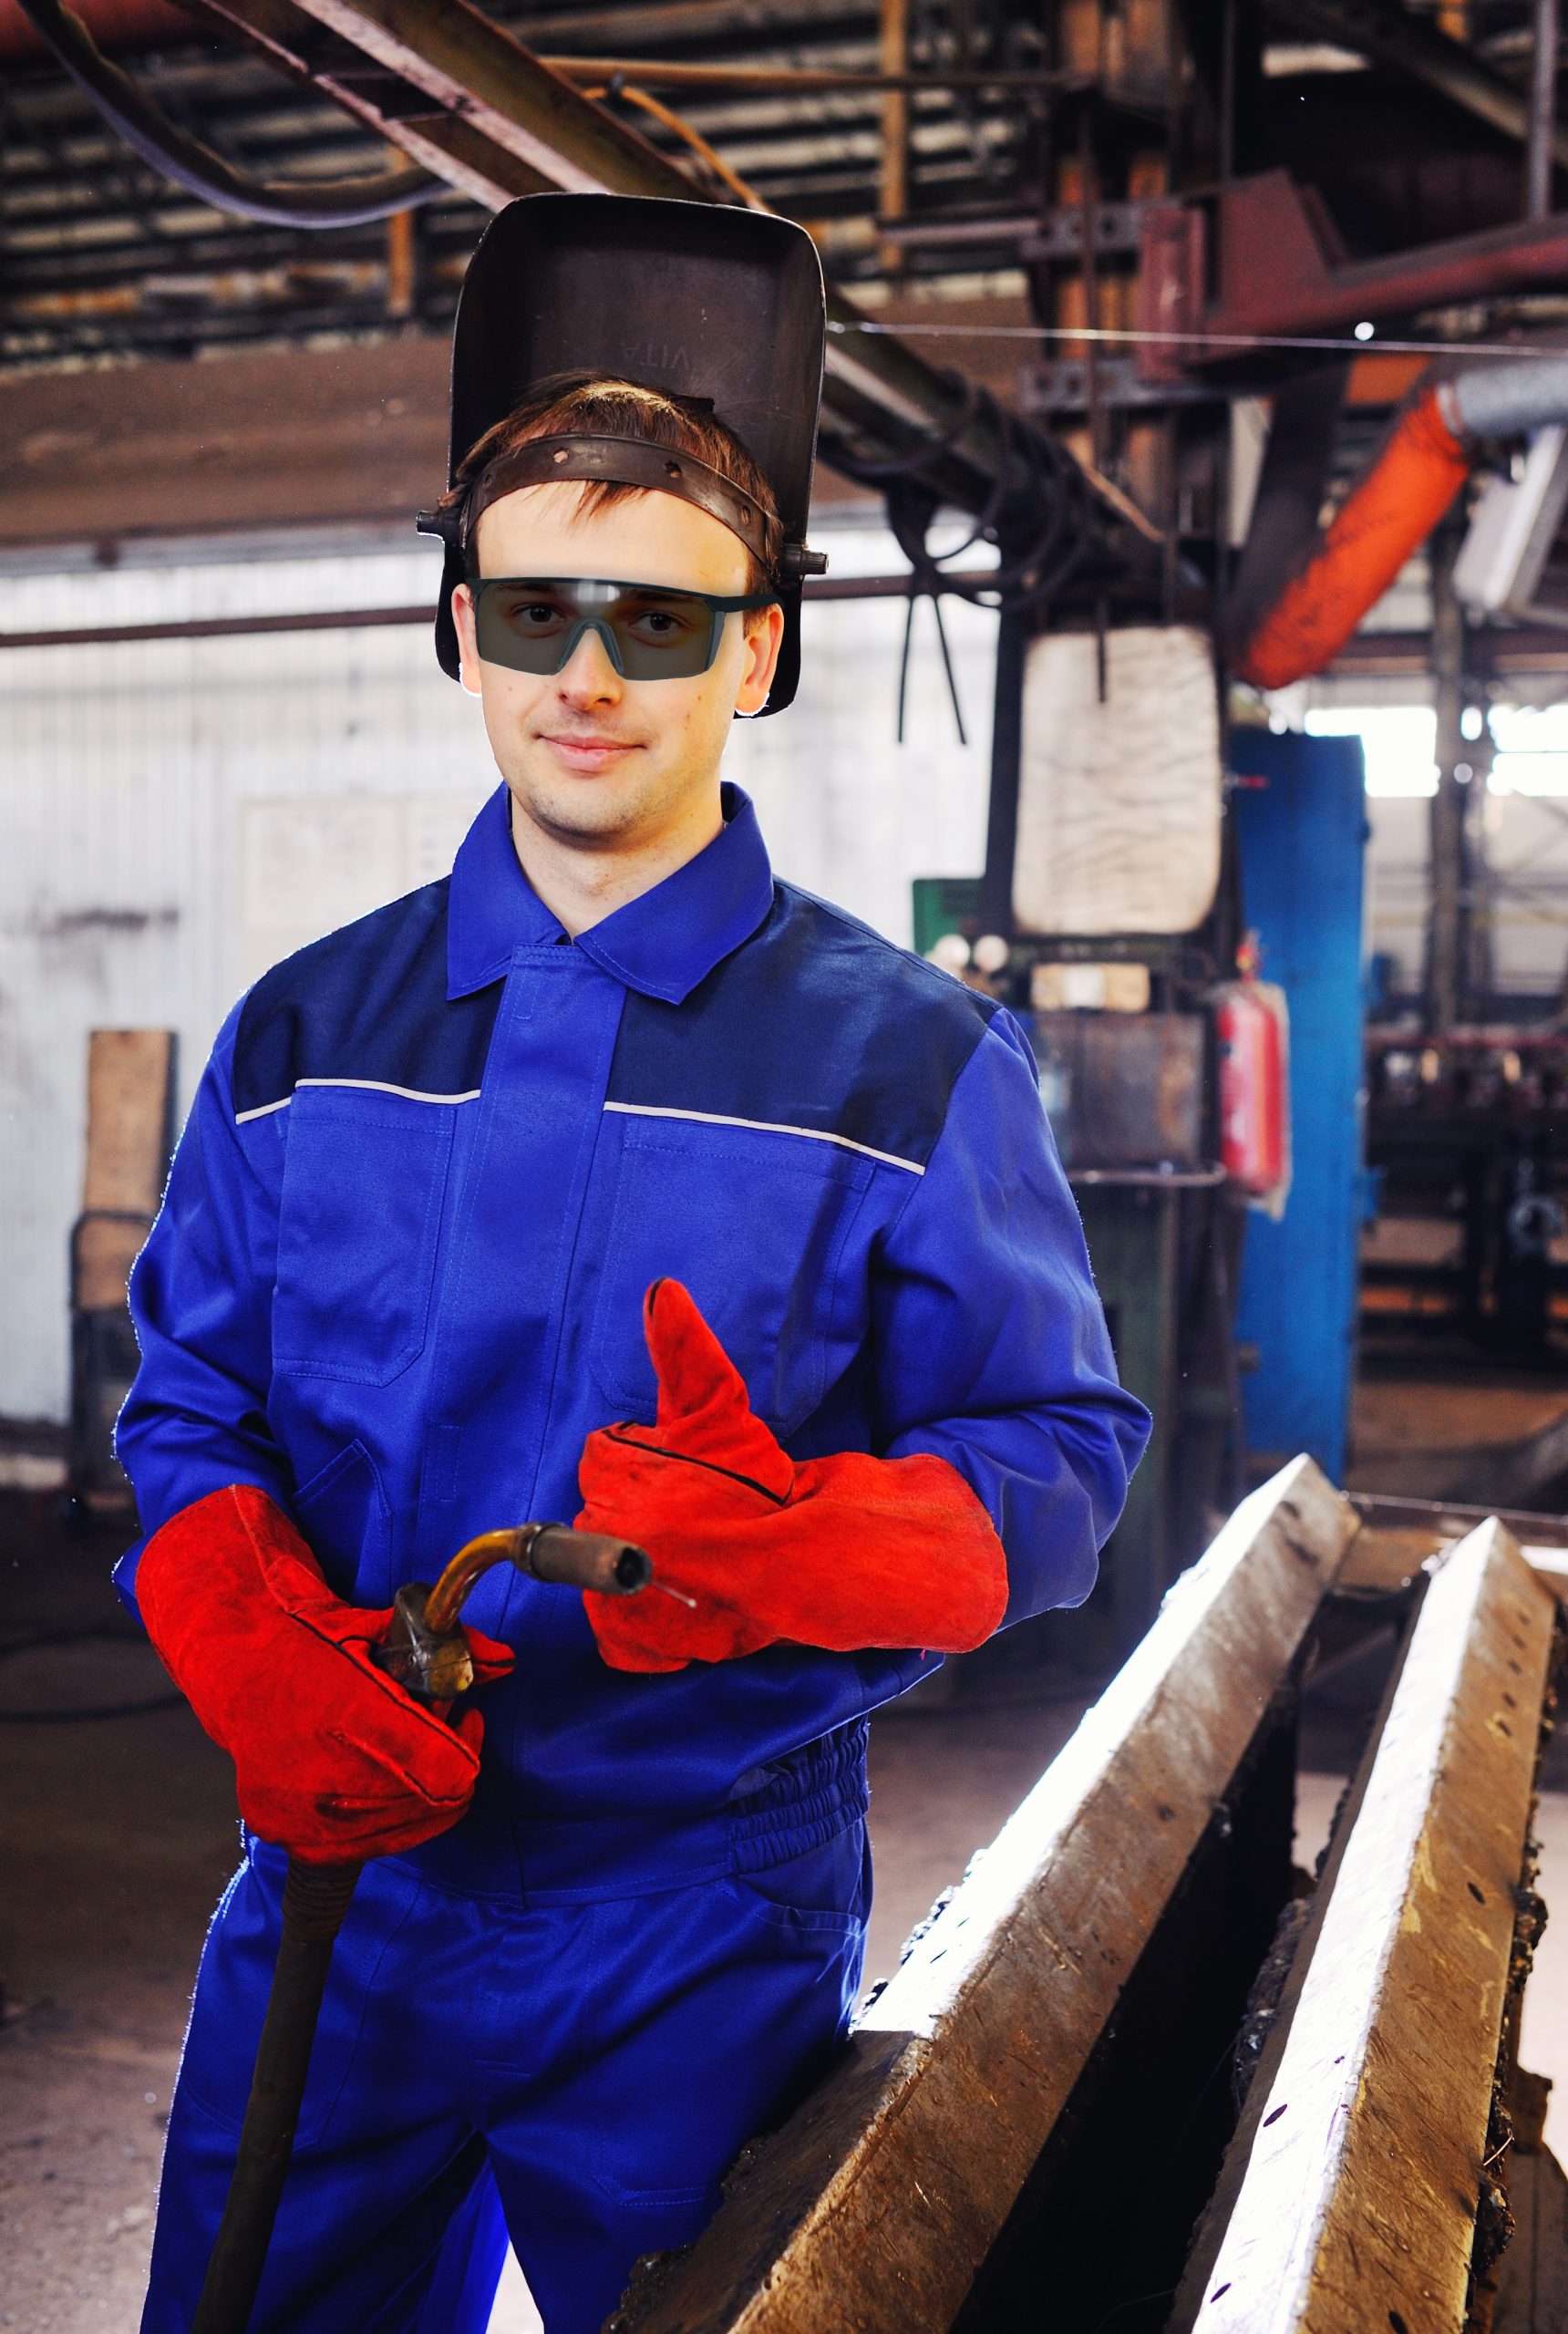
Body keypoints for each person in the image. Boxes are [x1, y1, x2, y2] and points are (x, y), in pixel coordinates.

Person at [115, 194, 1150, 2334]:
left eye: (661, 624)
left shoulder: (908, 1064)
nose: (588, 674)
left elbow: (1059, 1449)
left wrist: (829, 1547)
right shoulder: (304, 1037)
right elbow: (192, 1398)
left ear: (757, 649)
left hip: (695, 1924)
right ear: (460, 630)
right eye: (537, 611)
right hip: (340, 1901)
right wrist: (235, 1614)